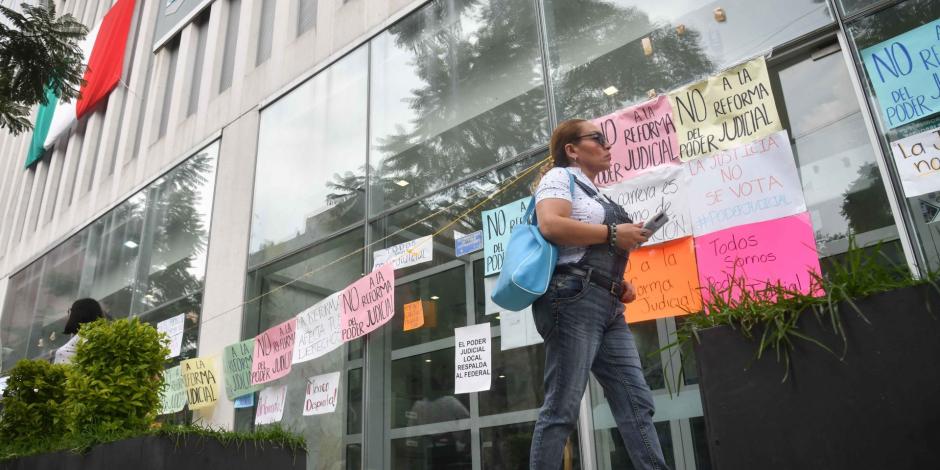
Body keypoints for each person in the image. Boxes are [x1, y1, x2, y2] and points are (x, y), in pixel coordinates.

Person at [529, 119, 669, 470]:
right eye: (599, 138)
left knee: (637, 401)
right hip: (572, 298)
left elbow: (595, 247)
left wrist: (617, 284)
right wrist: (611, 234)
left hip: (607, 305)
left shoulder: (597, 193)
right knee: (562, 407)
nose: (608, 146)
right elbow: (550, 225)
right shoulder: (559, 178)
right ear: (572, 150)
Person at [54, 298, 106, 364]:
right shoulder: (101, 337)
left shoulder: (84, 339)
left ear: (77, 314)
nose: (68, 314)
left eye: (70, 311)